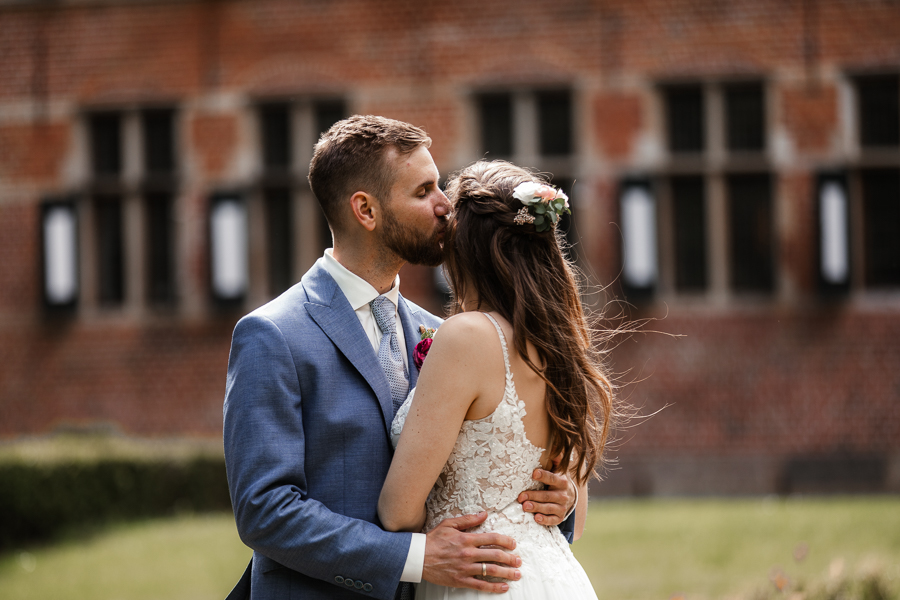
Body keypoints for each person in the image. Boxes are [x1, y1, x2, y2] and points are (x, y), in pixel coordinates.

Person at [223, 116, 577, 600]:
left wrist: (558, 500)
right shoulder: (273, 335)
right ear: (366, 210)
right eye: (423, 191)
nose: (445, 205)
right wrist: (415, 558)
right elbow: (265, 510)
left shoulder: (443, 333)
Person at [379, 160, 616, 599]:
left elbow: (396, 512)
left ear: (464, 250)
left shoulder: (467, 337)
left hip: (482, 580)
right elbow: (575, 523)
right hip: (553, 577)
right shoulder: (562, 347)